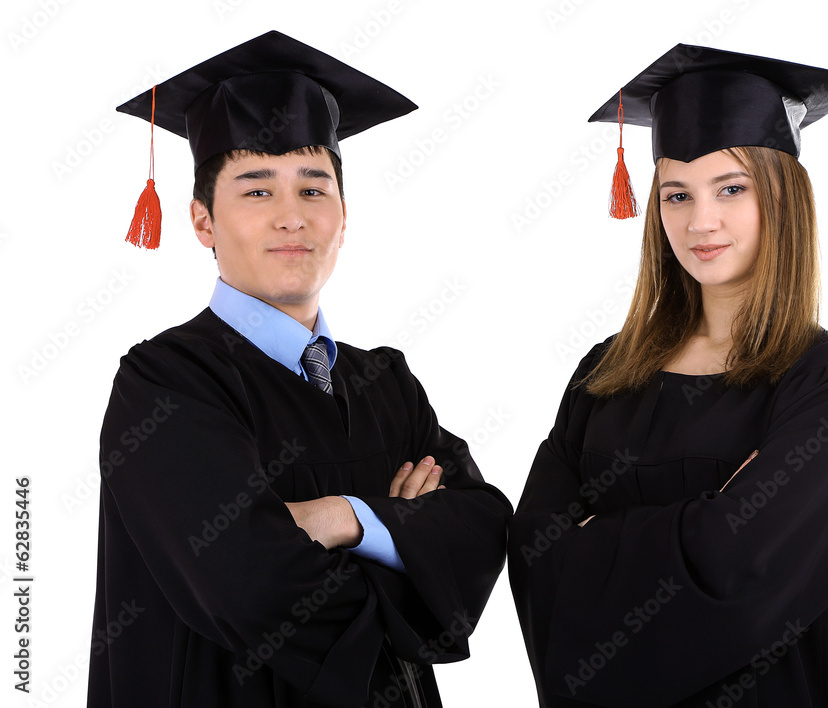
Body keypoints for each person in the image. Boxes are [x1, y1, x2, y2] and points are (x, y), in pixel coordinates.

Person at [87, 30, 511, 708]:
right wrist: (402, 540)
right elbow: (247, 585)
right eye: (256, 192)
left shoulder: (385, 383)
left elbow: (482, 531)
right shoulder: (165, 384)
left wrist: (344, 516)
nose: (292, 217)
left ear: (343, 217)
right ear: (203, 221)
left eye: (314, 189)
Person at [507, 44, 828, 707]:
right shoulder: (604, 375)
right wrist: (703, 522)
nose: (700, 222)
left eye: (731, 188)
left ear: (781, 198)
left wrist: (598, 544)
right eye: (676, 194)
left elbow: (744, 568)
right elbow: (535, 553)